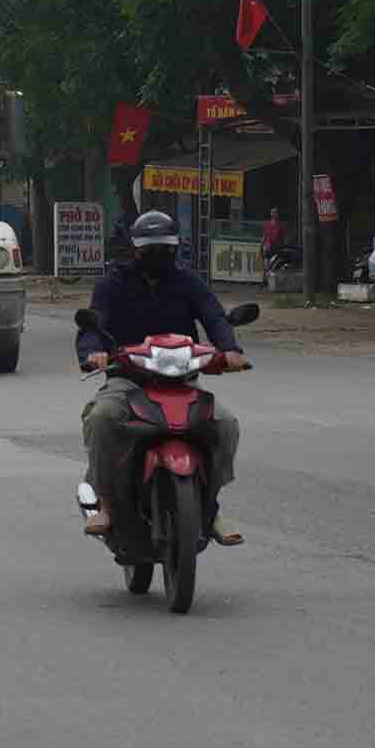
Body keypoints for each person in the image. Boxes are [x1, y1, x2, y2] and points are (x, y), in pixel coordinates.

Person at [75, 209, 250, 544]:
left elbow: (214, 316)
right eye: (149, 248)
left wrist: (230, 348)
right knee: (101, 417)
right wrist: (92, 354)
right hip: (128, 380)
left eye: (164, 248)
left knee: (225, 423)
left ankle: (210, 507)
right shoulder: (112, 284)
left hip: (181, 379)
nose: (157, 255)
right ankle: (105, 502)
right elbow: (92, 325)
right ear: (135, 249)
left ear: (175, 248)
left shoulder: (188, 282)